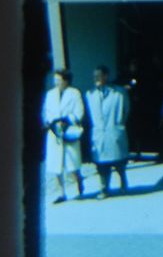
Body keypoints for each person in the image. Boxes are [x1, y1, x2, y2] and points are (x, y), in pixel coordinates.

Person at [42, 69, 85, 203]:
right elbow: (46, 111)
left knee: (72, 163)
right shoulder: (50, 94)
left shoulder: (74, 93)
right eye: (55, 80)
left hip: (69, 131)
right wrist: (51, 122)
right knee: (56, 165)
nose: (56, 83)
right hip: (55, 134)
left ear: (66, 81)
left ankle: (78, 183)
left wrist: (67, 120)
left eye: (59, 80)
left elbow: (79, 112)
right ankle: (62, 193)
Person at [86, 65, 130, 197]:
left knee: (119, 162)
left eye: (99, 76)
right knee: (101, 164)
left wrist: (119, 124)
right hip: (99, 133)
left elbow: (126, 110)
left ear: (106, 76)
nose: (96, 79)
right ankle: (104, 188)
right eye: (94, 77)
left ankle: (123, 182)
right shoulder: (90, 94)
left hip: (114, 130)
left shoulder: (119, 92)